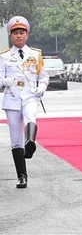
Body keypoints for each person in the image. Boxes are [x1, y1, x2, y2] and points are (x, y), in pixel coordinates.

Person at [0, 16, 49, 188]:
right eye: (15, 33)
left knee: (31, 117)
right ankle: (22, 176)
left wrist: (42, 88)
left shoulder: (35, 54)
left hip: (30, 95)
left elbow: (43, 77)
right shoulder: (4, 56)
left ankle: (31, 143)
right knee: (15, 139)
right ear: (10, 36)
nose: (19, 36)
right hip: (12, 98)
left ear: (27, 35)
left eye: (22, 33)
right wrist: (4, 81)